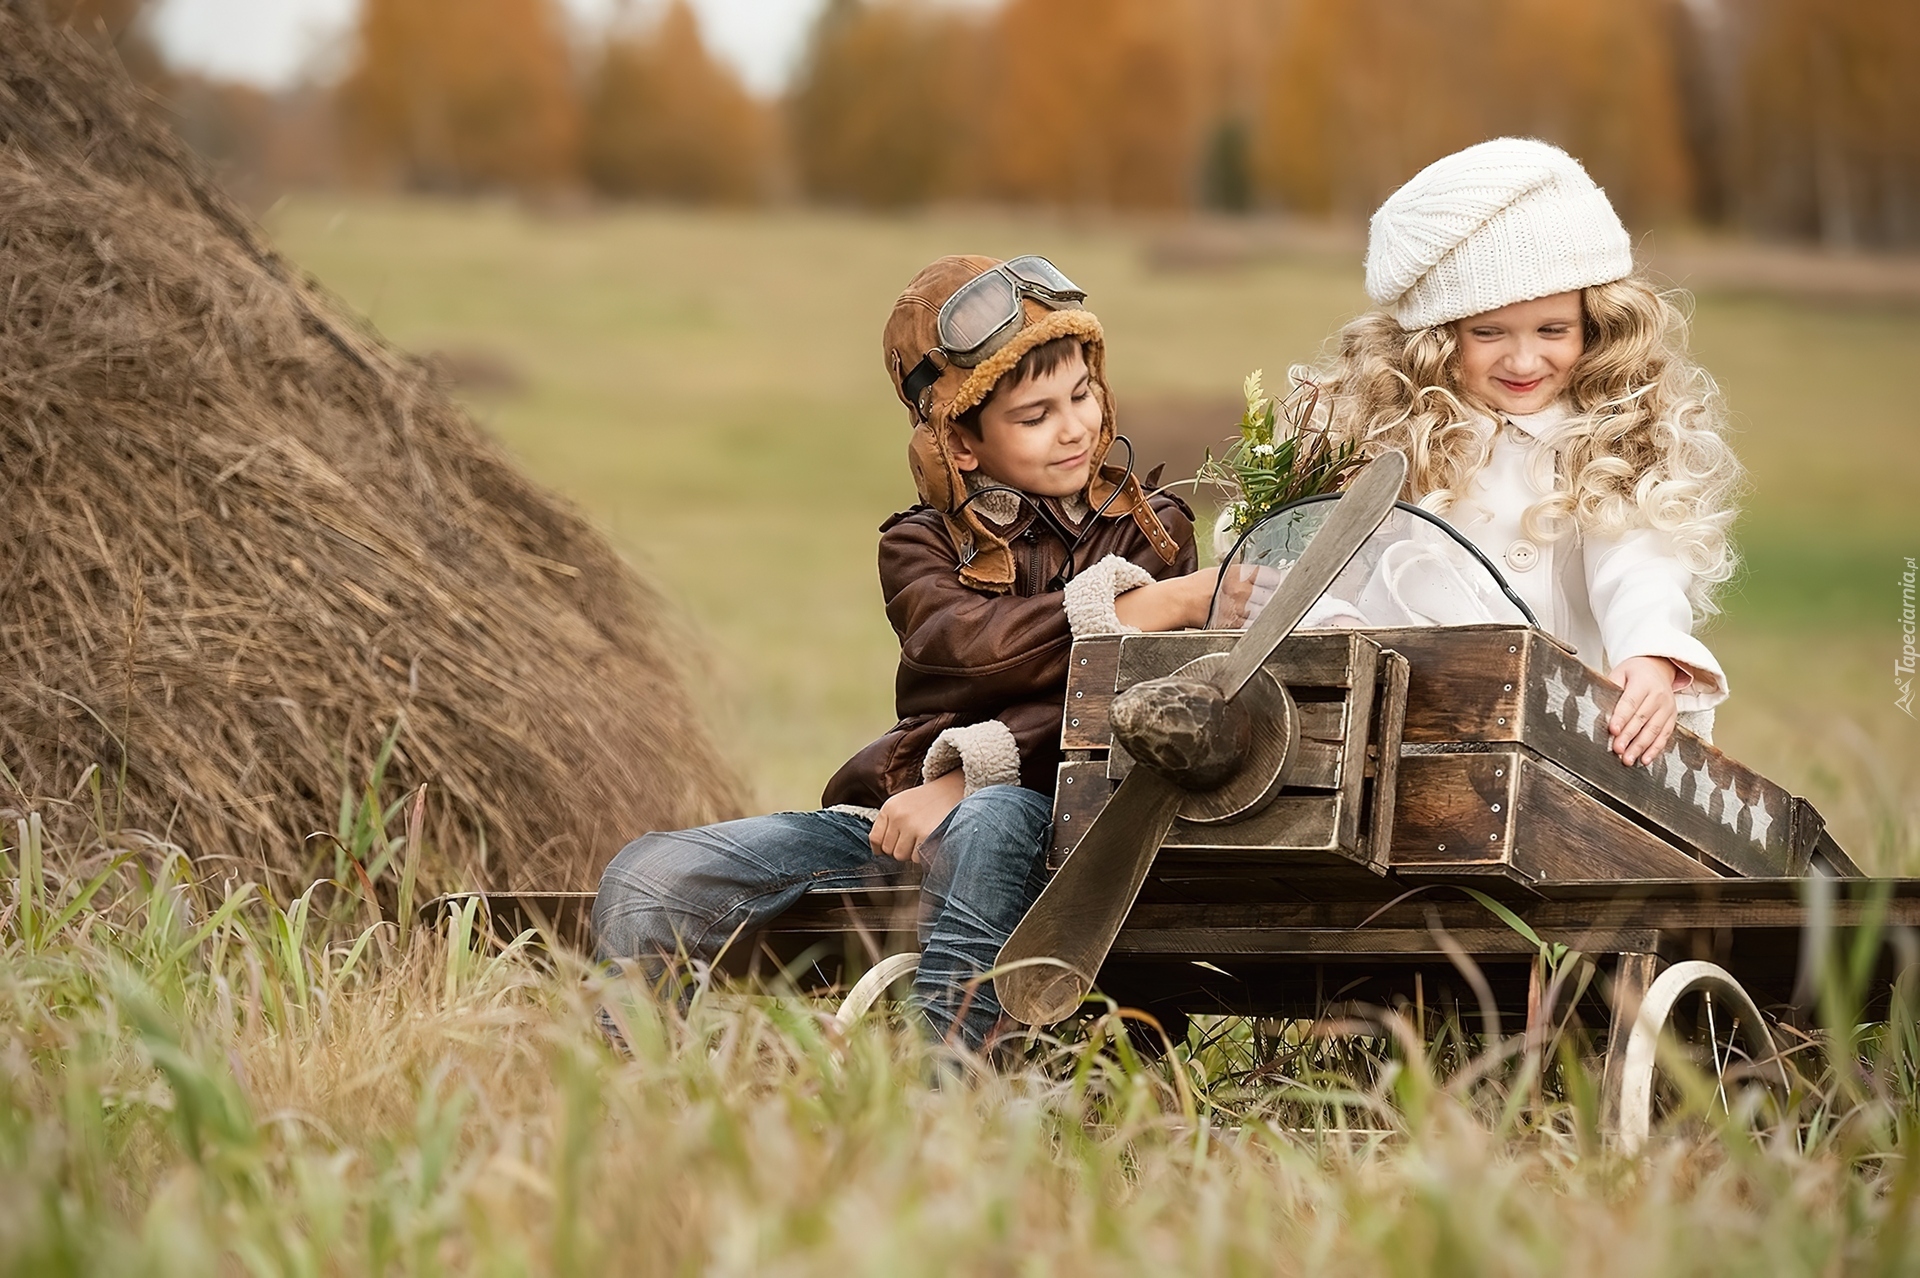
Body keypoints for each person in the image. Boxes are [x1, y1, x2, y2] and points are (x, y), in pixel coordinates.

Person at [593, 254, 1212, 1052]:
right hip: (903, 816)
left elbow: (1129, 704)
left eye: (1082, 394)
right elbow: (961, 650)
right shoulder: (917, 545)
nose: (1075, 427)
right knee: (650, 873)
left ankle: (942, 1105)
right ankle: (629, 1098)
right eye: (1035, 415)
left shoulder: (1151, 530)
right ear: (960, 444)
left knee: (991, 818)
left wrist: (970, 775)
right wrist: (1134, 609)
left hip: (1066, 825)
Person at [1293, 137, 1742, 765]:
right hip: (1395, 731)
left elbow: (1636, 555)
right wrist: (1332, 637)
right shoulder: (1393, 434)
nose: (1525, 360)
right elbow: (1313, 558)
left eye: (1553, 330)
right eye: (1488, 333)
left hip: (1554, 741)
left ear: (1596, 324)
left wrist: (1649, 652)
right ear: (1438, 338)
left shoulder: (1603, 435)